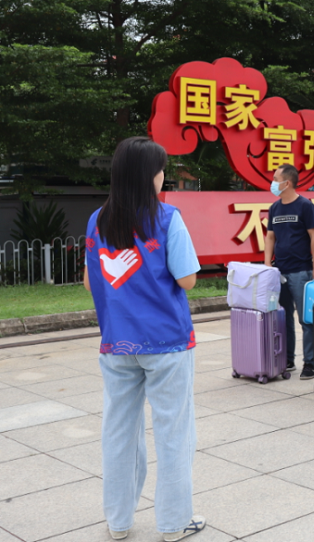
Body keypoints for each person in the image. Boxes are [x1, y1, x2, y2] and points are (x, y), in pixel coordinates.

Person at [83, 137, 205, 541]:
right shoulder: (167, 217)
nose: (163, 175)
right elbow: (187, 279)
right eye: (161, 169)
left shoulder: (97, 220)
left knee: (119, 432)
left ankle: (118, 522)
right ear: (149, 175)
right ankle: (173, 523)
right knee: (174, 433)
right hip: (167, 342)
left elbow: (91, 282)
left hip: (116, 343)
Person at [264, 164, 314, 378]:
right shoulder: (275, 208)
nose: (272, 183)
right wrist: (267, 265)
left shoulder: (305, 206)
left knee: (306, 319)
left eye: (275, 178)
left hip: (301, 271)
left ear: (287, 183)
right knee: (283, 318)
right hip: (279, 272)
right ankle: (287, 359)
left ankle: (310, 363)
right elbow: (270, 237)